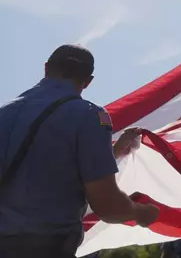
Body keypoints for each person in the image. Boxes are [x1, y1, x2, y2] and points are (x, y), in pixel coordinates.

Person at [0, 44, 160, 258]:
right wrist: (141, 213)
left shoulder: (5, 113)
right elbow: (108, 207)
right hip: (43, 246)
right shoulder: (89, 116)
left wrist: (114, 152)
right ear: (88, 81)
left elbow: (38, 167)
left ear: (46, 68)